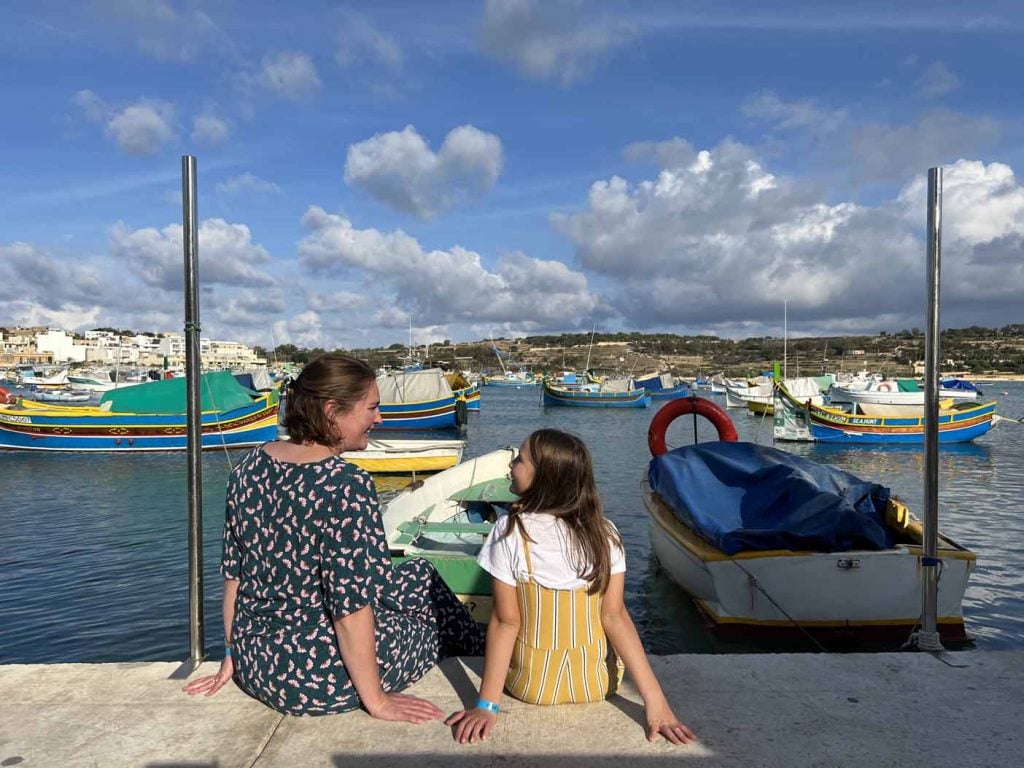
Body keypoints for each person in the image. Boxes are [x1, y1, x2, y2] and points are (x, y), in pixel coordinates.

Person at [184, 353, 484, 721]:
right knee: (438, 623)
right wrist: (377, 700)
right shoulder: (346, 486)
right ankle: (483, 653)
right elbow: (350, 611)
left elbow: (234, 576)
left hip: (256, 662)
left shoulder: (249, 468)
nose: (379, 418)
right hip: (320, 675)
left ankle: (477, 642)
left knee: (419, 573)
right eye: (371, 408)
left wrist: (232, 653)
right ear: (331, 410)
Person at [445, 428, 696, 745]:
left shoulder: (509, 530)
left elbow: (506, 622)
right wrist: (657, 703)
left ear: (543, 478)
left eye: (520, 460)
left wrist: (486, 705)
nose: (511, 464)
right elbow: (615, 617)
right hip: (597, 682)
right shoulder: (605, 534)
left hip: (532, 684)